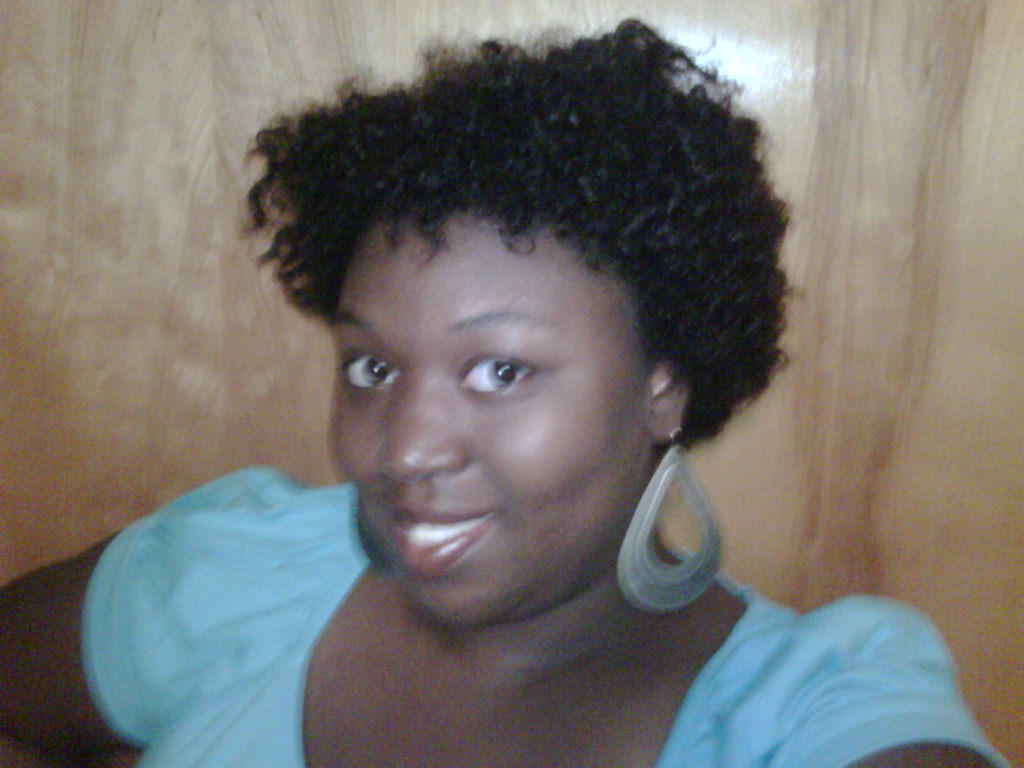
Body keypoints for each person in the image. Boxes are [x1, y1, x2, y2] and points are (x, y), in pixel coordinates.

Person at [0, 19, 1009, 768]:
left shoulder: (804, 714)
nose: (402, 450)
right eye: (372, 368)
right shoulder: (236, 573)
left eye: (500, 371)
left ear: (663, 386)